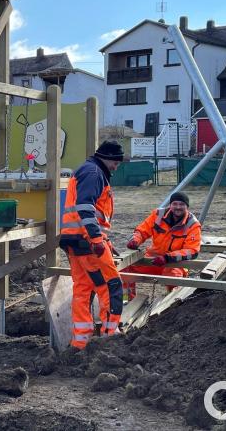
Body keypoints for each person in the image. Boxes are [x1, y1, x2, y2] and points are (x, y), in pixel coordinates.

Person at [59, 140, 124, 349]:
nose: (116, 167)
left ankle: (80, 341)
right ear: (109, 159)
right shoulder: (95, 173)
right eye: (116, 162)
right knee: (111, 287)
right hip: (88, 243)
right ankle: (109, 338)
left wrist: (104, 239)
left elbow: (90, 212)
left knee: (83, 290)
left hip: (75, 241)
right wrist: (97, 240)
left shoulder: (88, 170)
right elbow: (86, 207)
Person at [123, 191, 201, 299]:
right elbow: (142, 230)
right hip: (153, 259)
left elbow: (192, 251)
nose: (178, 207)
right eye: (175, 204)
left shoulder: (192, 224)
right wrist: (135, 240)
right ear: (170, 205)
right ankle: (126, 300)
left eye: (182, 204)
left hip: (175, 263)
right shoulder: (158, 215)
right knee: (125, 269)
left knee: (173, 277)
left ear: (187, 207)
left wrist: (167, 258)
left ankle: (172, 304)